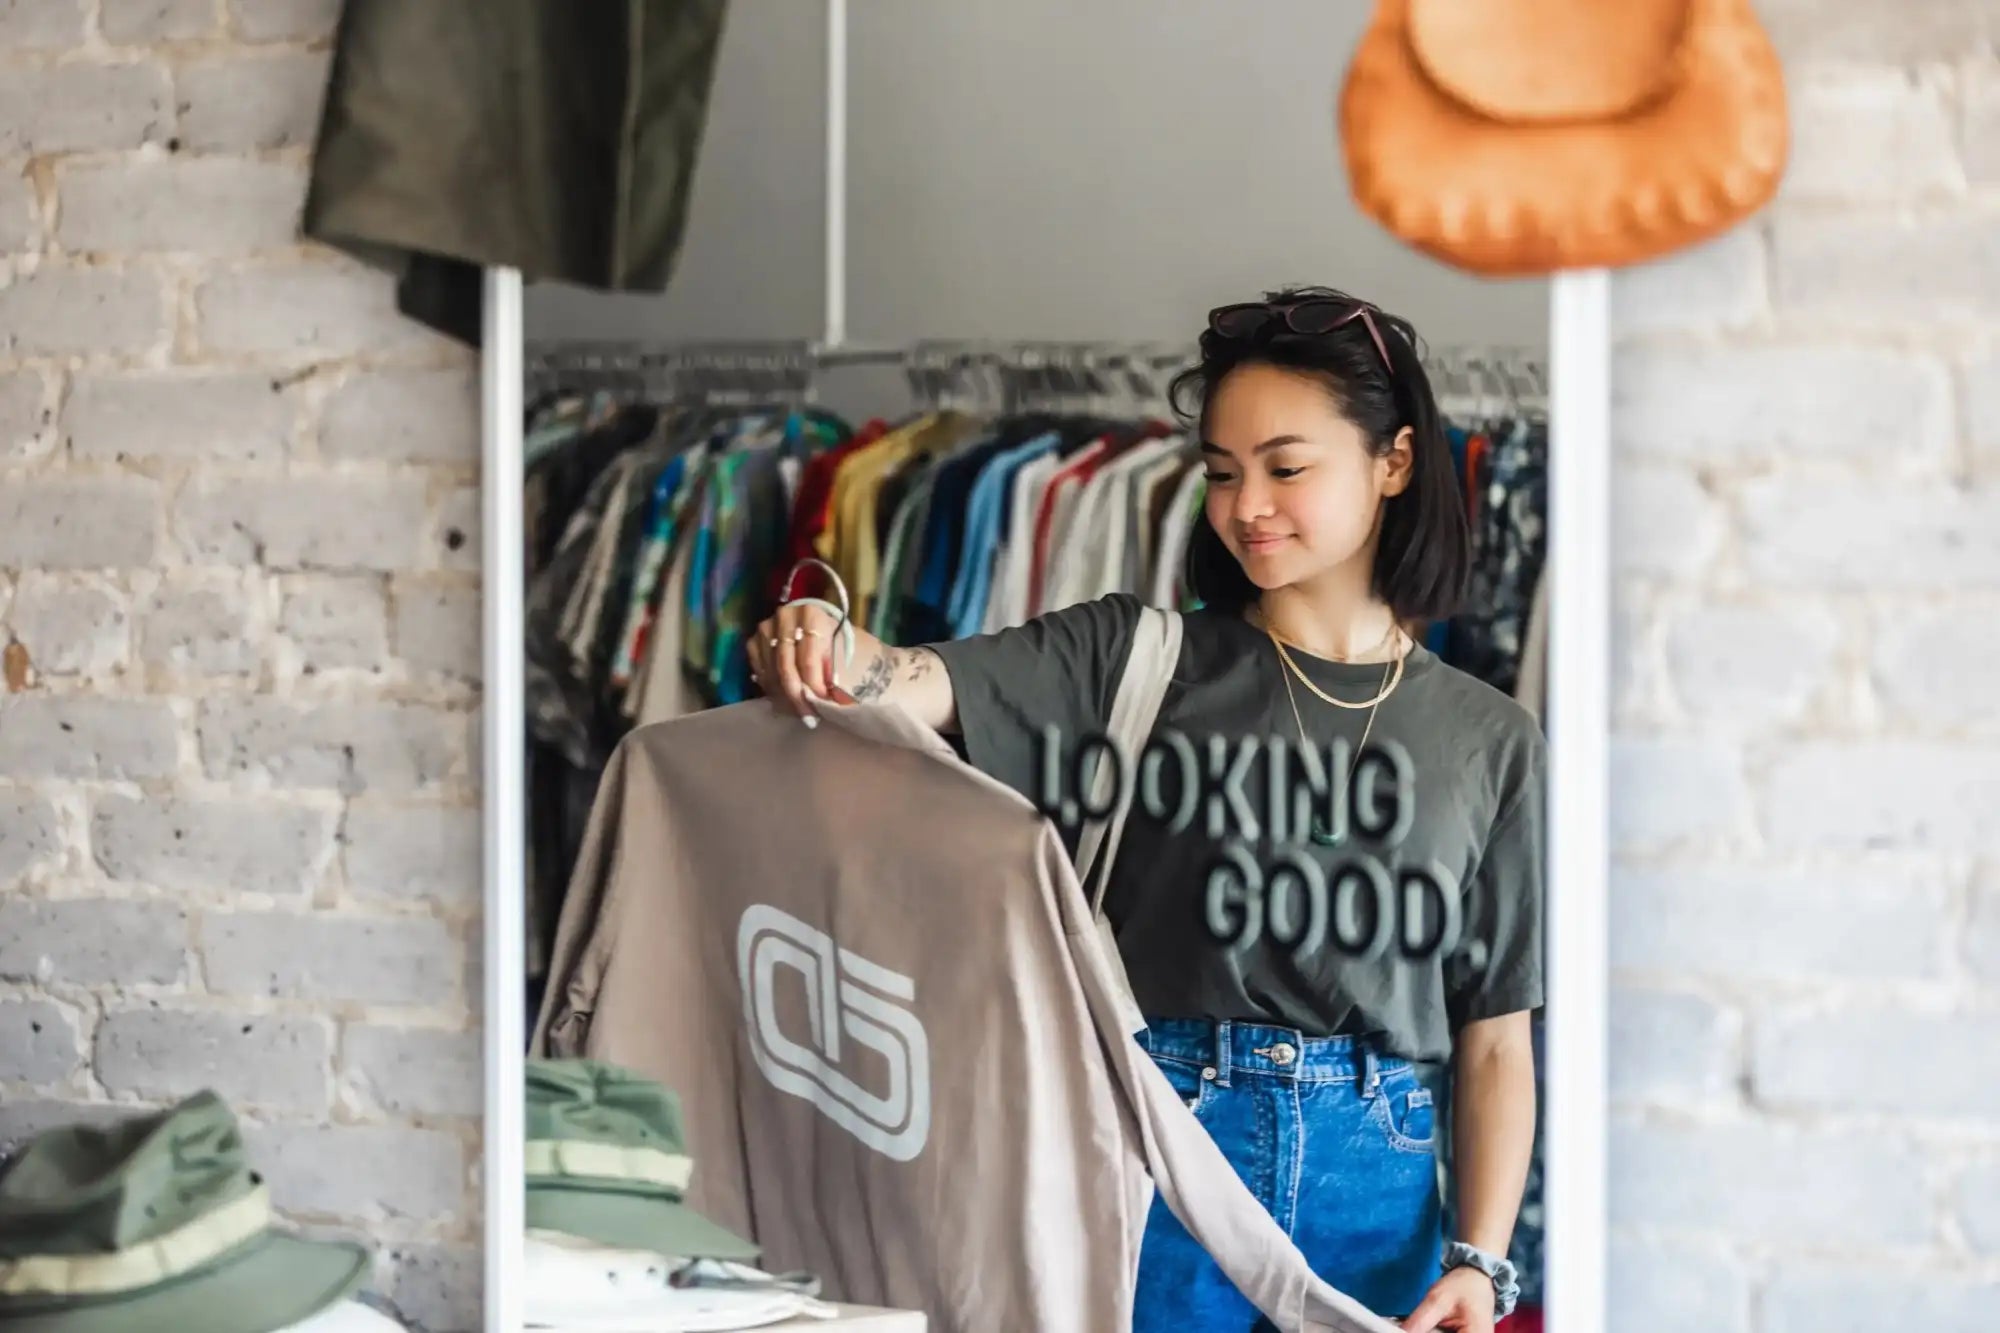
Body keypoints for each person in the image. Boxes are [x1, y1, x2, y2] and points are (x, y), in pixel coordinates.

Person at [747, 286, 1542, 1333]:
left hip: (1381, 1187)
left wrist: (1479, 1260)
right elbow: (906, 678)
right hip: (1158, 1147)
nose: (1243, 505)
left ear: (1392, 462)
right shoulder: (1129, 658)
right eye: (1220, 473)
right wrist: (821, 635)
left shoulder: (1487, 737)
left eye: (1284, 467)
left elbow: (1492, 1038)